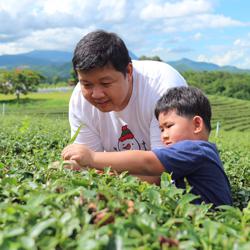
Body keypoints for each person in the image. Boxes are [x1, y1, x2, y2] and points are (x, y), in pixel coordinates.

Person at [62, 86, 233, 207]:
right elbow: (150, 178)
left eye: (169, 126)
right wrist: (100, 173)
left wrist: (93, 158)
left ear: (196, 124)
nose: (164, 135)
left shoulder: (195, 150)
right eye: (161, 129)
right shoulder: (193, 156)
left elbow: (147, 162)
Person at [65, 30, 187, 183]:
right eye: (87, 84)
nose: (96, 94)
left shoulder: (164, 89)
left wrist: (99, 171)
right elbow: (87, 166)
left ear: (128, 71)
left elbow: (165, 171)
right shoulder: (79, 100)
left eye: (105, 83)